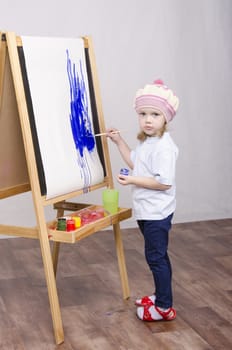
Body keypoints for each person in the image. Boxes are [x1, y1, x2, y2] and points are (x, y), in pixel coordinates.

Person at [106, 79, 179, 321]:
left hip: (157, 213)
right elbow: (135, 164)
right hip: (147, 211)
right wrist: (118, 142)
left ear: (166, 118)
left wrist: (133, 181)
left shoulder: (164, 148)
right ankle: (161, 296)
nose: (148, 120)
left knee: (156, 258)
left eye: (155, 114)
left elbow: (164, 182)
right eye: (143, 114)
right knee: (157, 256)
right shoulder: (148, 141)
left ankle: (164, 307)